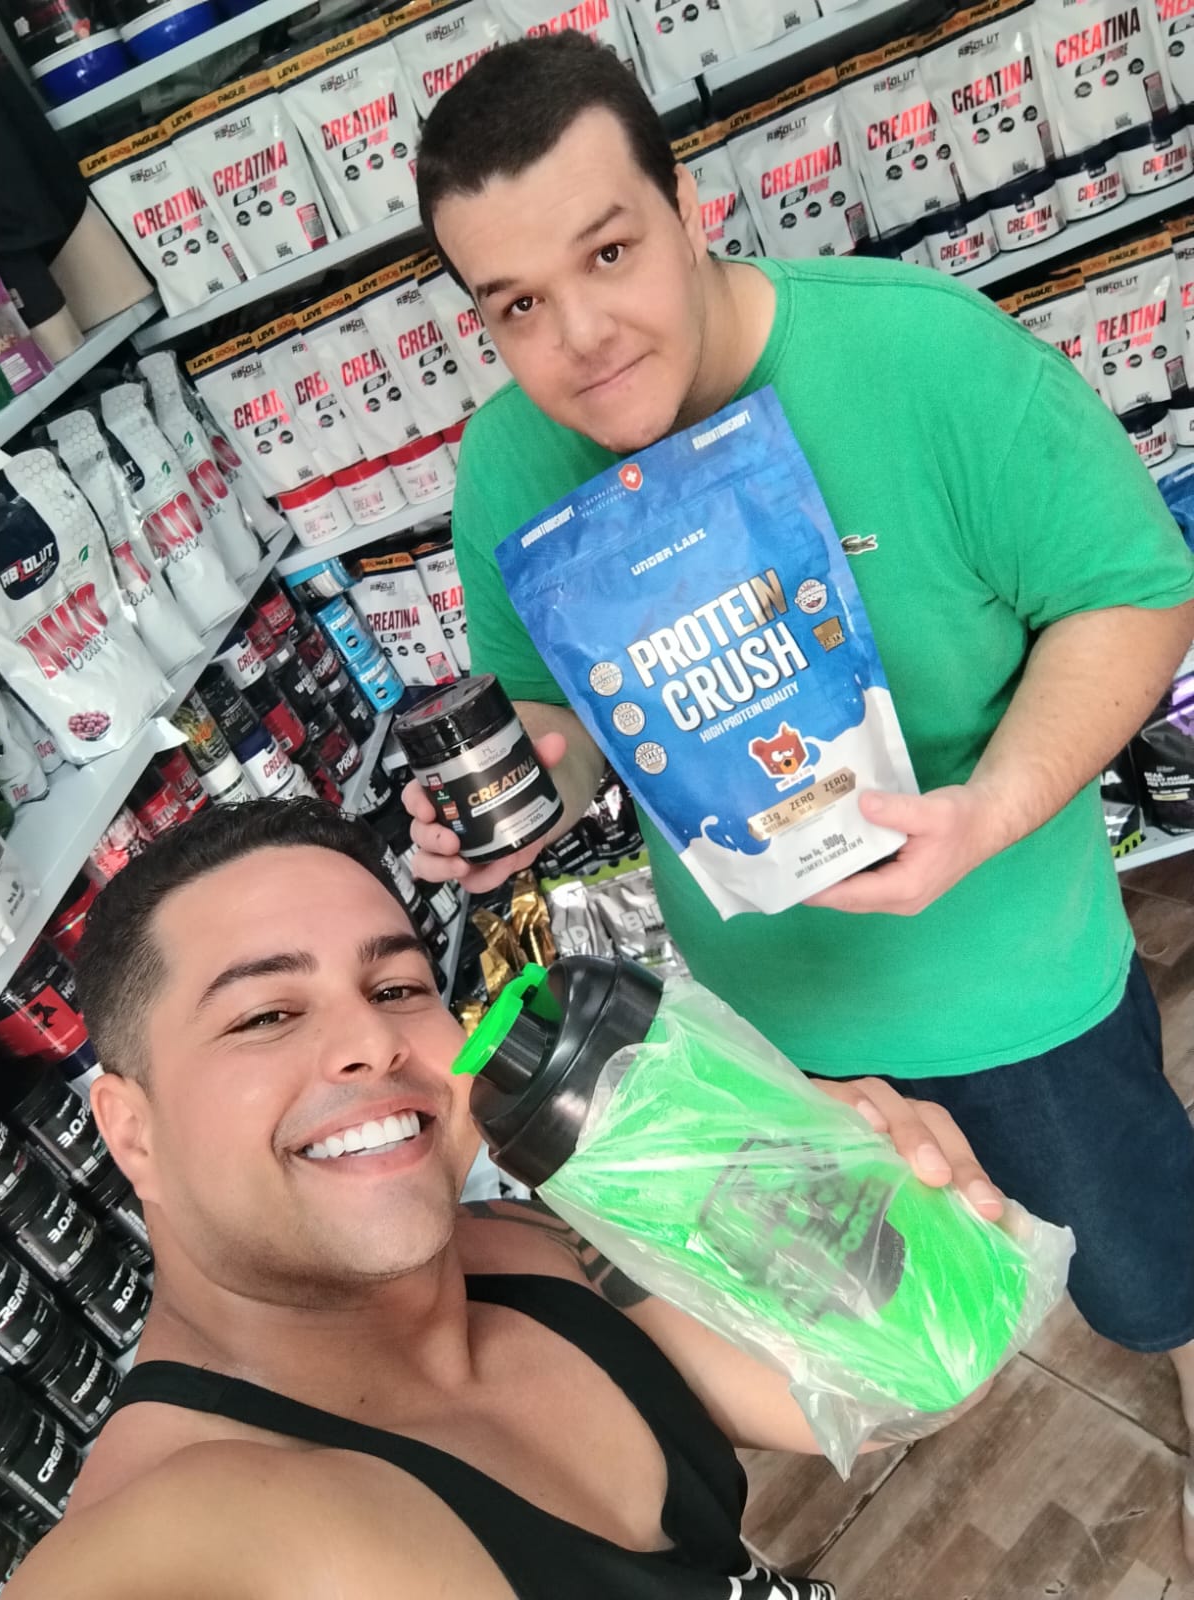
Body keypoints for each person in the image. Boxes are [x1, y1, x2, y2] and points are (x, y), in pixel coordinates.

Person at [402, 29, 1194, 1550]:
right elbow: (557, 719)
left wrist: (989, 812)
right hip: (765, 1045)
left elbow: (1137, 593)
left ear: (689, 207)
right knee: (899, 1329)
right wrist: (515, 795)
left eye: (610, 252)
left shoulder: (926, 359)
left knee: (1150, 1272)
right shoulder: (510, 464)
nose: (581, 338)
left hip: (1014, 989)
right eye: (517, 304)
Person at [4, 799, 1002, 1599]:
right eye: (266, 1014)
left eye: (397, 989)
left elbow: (904, 1388)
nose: (373, 1043)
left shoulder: (524, 1246)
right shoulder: (194, 1524)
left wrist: (857, 1185)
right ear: (131, 1131)